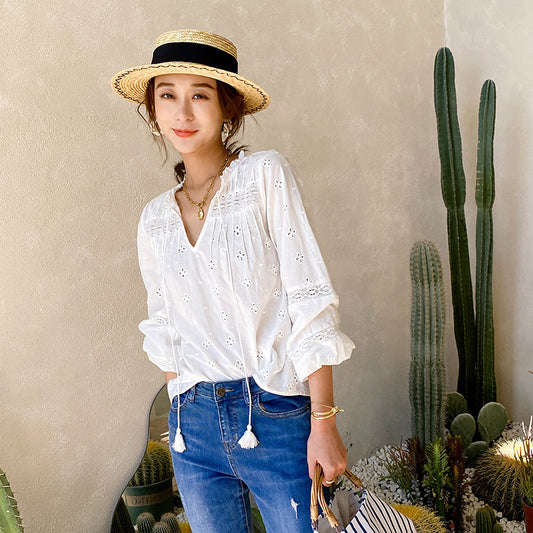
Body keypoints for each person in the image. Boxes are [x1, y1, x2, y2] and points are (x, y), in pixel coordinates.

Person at [112, 29, 354, 533]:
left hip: (274, 412)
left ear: (227, 107)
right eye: (167, 96)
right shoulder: (153, 219)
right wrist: (179, 409)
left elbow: (307, 297)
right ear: (153, 111)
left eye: (199, 95)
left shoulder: (264, 177)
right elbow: (165, 330)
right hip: (191, 428)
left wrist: (323, 419)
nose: (182, 113)